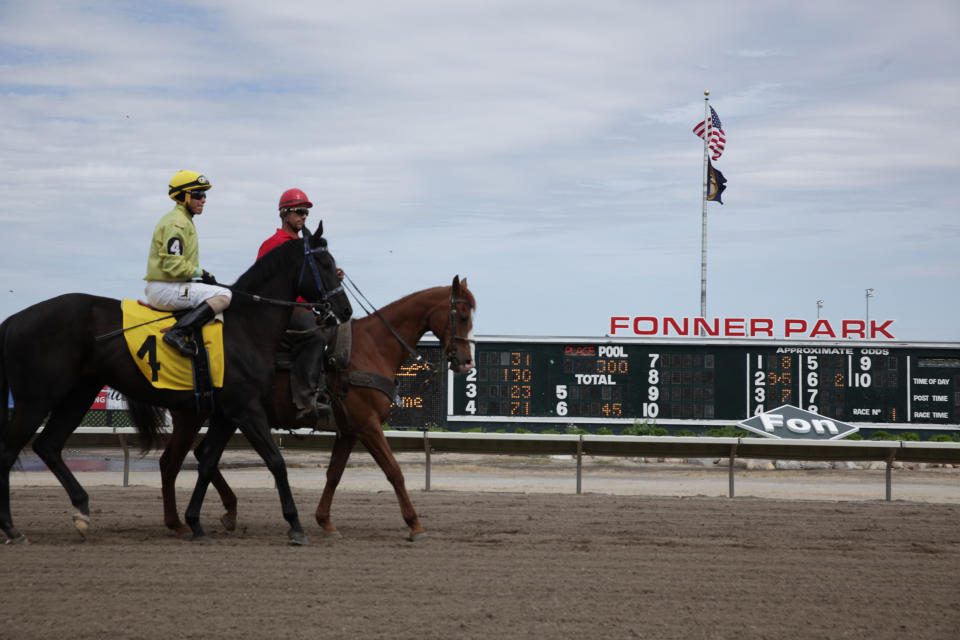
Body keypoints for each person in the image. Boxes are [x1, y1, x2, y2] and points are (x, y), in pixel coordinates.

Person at [258, 188, 342, 420]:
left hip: (304, 308)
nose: (304, 217)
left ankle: (328, 392)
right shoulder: (273, 244)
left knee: (336, 330)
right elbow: (264, 283)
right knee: (313, 337)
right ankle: (305, 400)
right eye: (299, 212)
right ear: (285, 213)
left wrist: (331, 278)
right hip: (282, 310)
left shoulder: (306, 246)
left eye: (306, 213)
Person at [144, 170, 232, 358]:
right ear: (183, 196)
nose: (204, 199)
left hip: (170, 285)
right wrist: (201, 273)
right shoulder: (178, 223)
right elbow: (173, 266)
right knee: (224, 295)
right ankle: (177, 333)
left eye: (204, 194)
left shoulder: (183, 220)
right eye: (198, 194)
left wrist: (199, 277)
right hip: (165, 288)